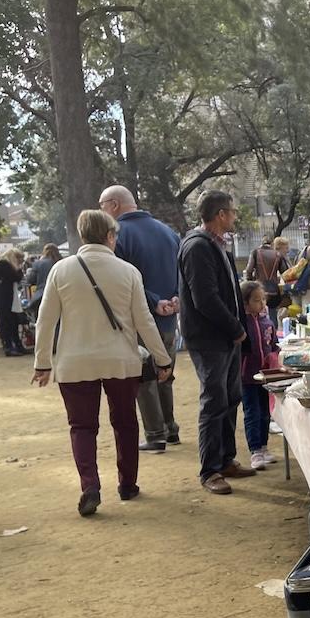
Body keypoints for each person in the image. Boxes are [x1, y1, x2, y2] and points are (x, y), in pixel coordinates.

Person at [31, 210, 172, 517]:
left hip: (74, 362)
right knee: (125, 423)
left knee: (81, 427)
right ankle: (127, 484)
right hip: (121, 361)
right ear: (110, 235)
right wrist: (163, 359)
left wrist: (42, 363)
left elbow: (45, 320)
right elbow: (145, 322)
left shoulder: (60, 270)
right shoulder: (128, 271)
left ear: (83, 235)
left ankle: (90, 485)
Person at [179, 190, 253, 496]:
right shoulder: (198, 247)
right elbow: (205, 298)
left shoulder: (215, 245)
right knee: (213, 401)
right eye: (232, 212)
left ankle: (225, 459)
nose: (235, 216)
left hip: (224, 337)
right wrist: (235, 328)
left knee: (230, 397)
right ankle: (209, 469)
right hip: (210, 338)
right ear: (221, 214)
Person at [100, 185, 183, 453]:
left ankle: (155, 433)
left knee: (145, 377)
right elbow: (183, 268)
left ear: (113, 205)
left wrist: (152, 301)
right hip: (171, 315)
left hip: (141, 316)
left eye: (102, 205)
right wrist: (176, 298)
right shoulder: (168, 231)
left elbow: (120, 278)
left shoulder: (117, 235)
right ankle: (170, 428)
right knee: (165, 371)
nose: (101, 211)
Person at [238, 281, 278, 471]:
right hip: (246, 377)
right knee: (252, 413)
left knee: (265, 412)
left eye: (263, 299)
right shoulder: (240, 324)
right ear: (245, 303)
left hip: (265, 377)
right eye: (256, 300)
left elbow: (274, 344)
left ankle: (264, 446)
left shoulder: (267, 322)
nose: (261, 304)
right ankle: (255, 450)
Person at [0, 248, 28, 356]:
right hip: (5, 298)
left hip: (4, 298)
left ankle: (15, 345)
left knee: (12, 322)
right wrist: (19, 269)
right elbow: (16, 277)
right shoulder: (4, 265)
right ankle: (9, 346)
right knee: (7, 323)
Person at [26, 243, 61, 314]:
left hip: (42, 295)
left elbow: (30, 280)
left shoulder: (38, 263)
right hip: (59, 295)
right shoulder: (61, 262)